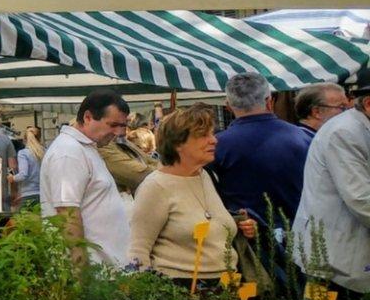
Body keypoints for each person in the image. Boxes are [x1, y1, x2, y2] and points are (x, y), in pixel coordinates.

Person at [129, 104, 255, 283]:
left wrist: (242, 227)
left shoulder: (207, 176)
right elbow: (137, 252)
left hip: (226, 288)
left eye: (212, 133)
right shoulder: (155, 187)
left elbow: (207, 224)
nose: (214, 140)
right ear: (178, 143)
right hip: (180, 295)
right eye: (203, 135)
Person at [211, 72, 312, 245]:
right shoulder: (305, 138)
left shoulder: (214, 146)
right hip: (303, 236)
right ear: (269, 101)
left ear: (228, 106)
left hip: (247, 242)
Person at [294, 79, 370, 299]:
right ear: (367, 103)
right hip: (336, 262)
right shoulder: (345, 132)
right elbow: (361, 198)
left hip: (349, 255)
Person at [41, 91, 134, 266]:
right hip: (93, 276)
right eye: (113, 124)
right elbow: (67, 214)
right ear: (88, 117)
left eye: (122, 125)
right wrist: (80, 272)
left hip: (106, 272)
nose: (119, 132)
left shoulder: (85, 148)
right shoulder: (68, 152)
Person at [15, 127, 44, 208]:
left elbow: (23, 175)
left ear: (24, 139)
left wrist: (12, 178)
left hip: (27, 195)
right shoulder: (45, 152)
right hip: (43, 195)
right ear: (39, 138)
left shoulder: (23, 153)